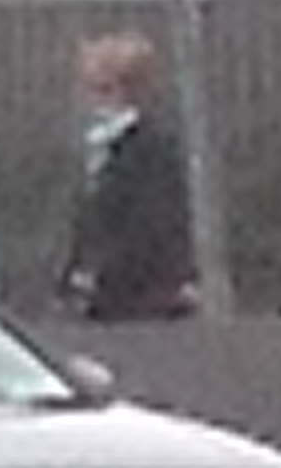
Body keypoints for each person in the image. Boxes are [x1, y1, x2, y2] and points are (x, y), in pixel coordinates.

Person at [55, 30, 201, 324]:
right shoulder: (98, 145)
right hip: (106, 296)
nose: (91, 100)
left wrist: (100, 275)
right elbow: (87, 222)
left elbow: (151, 224)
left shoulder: (150, 147)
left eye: (102, 89)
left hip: (144, 298)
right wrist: (72, 277)